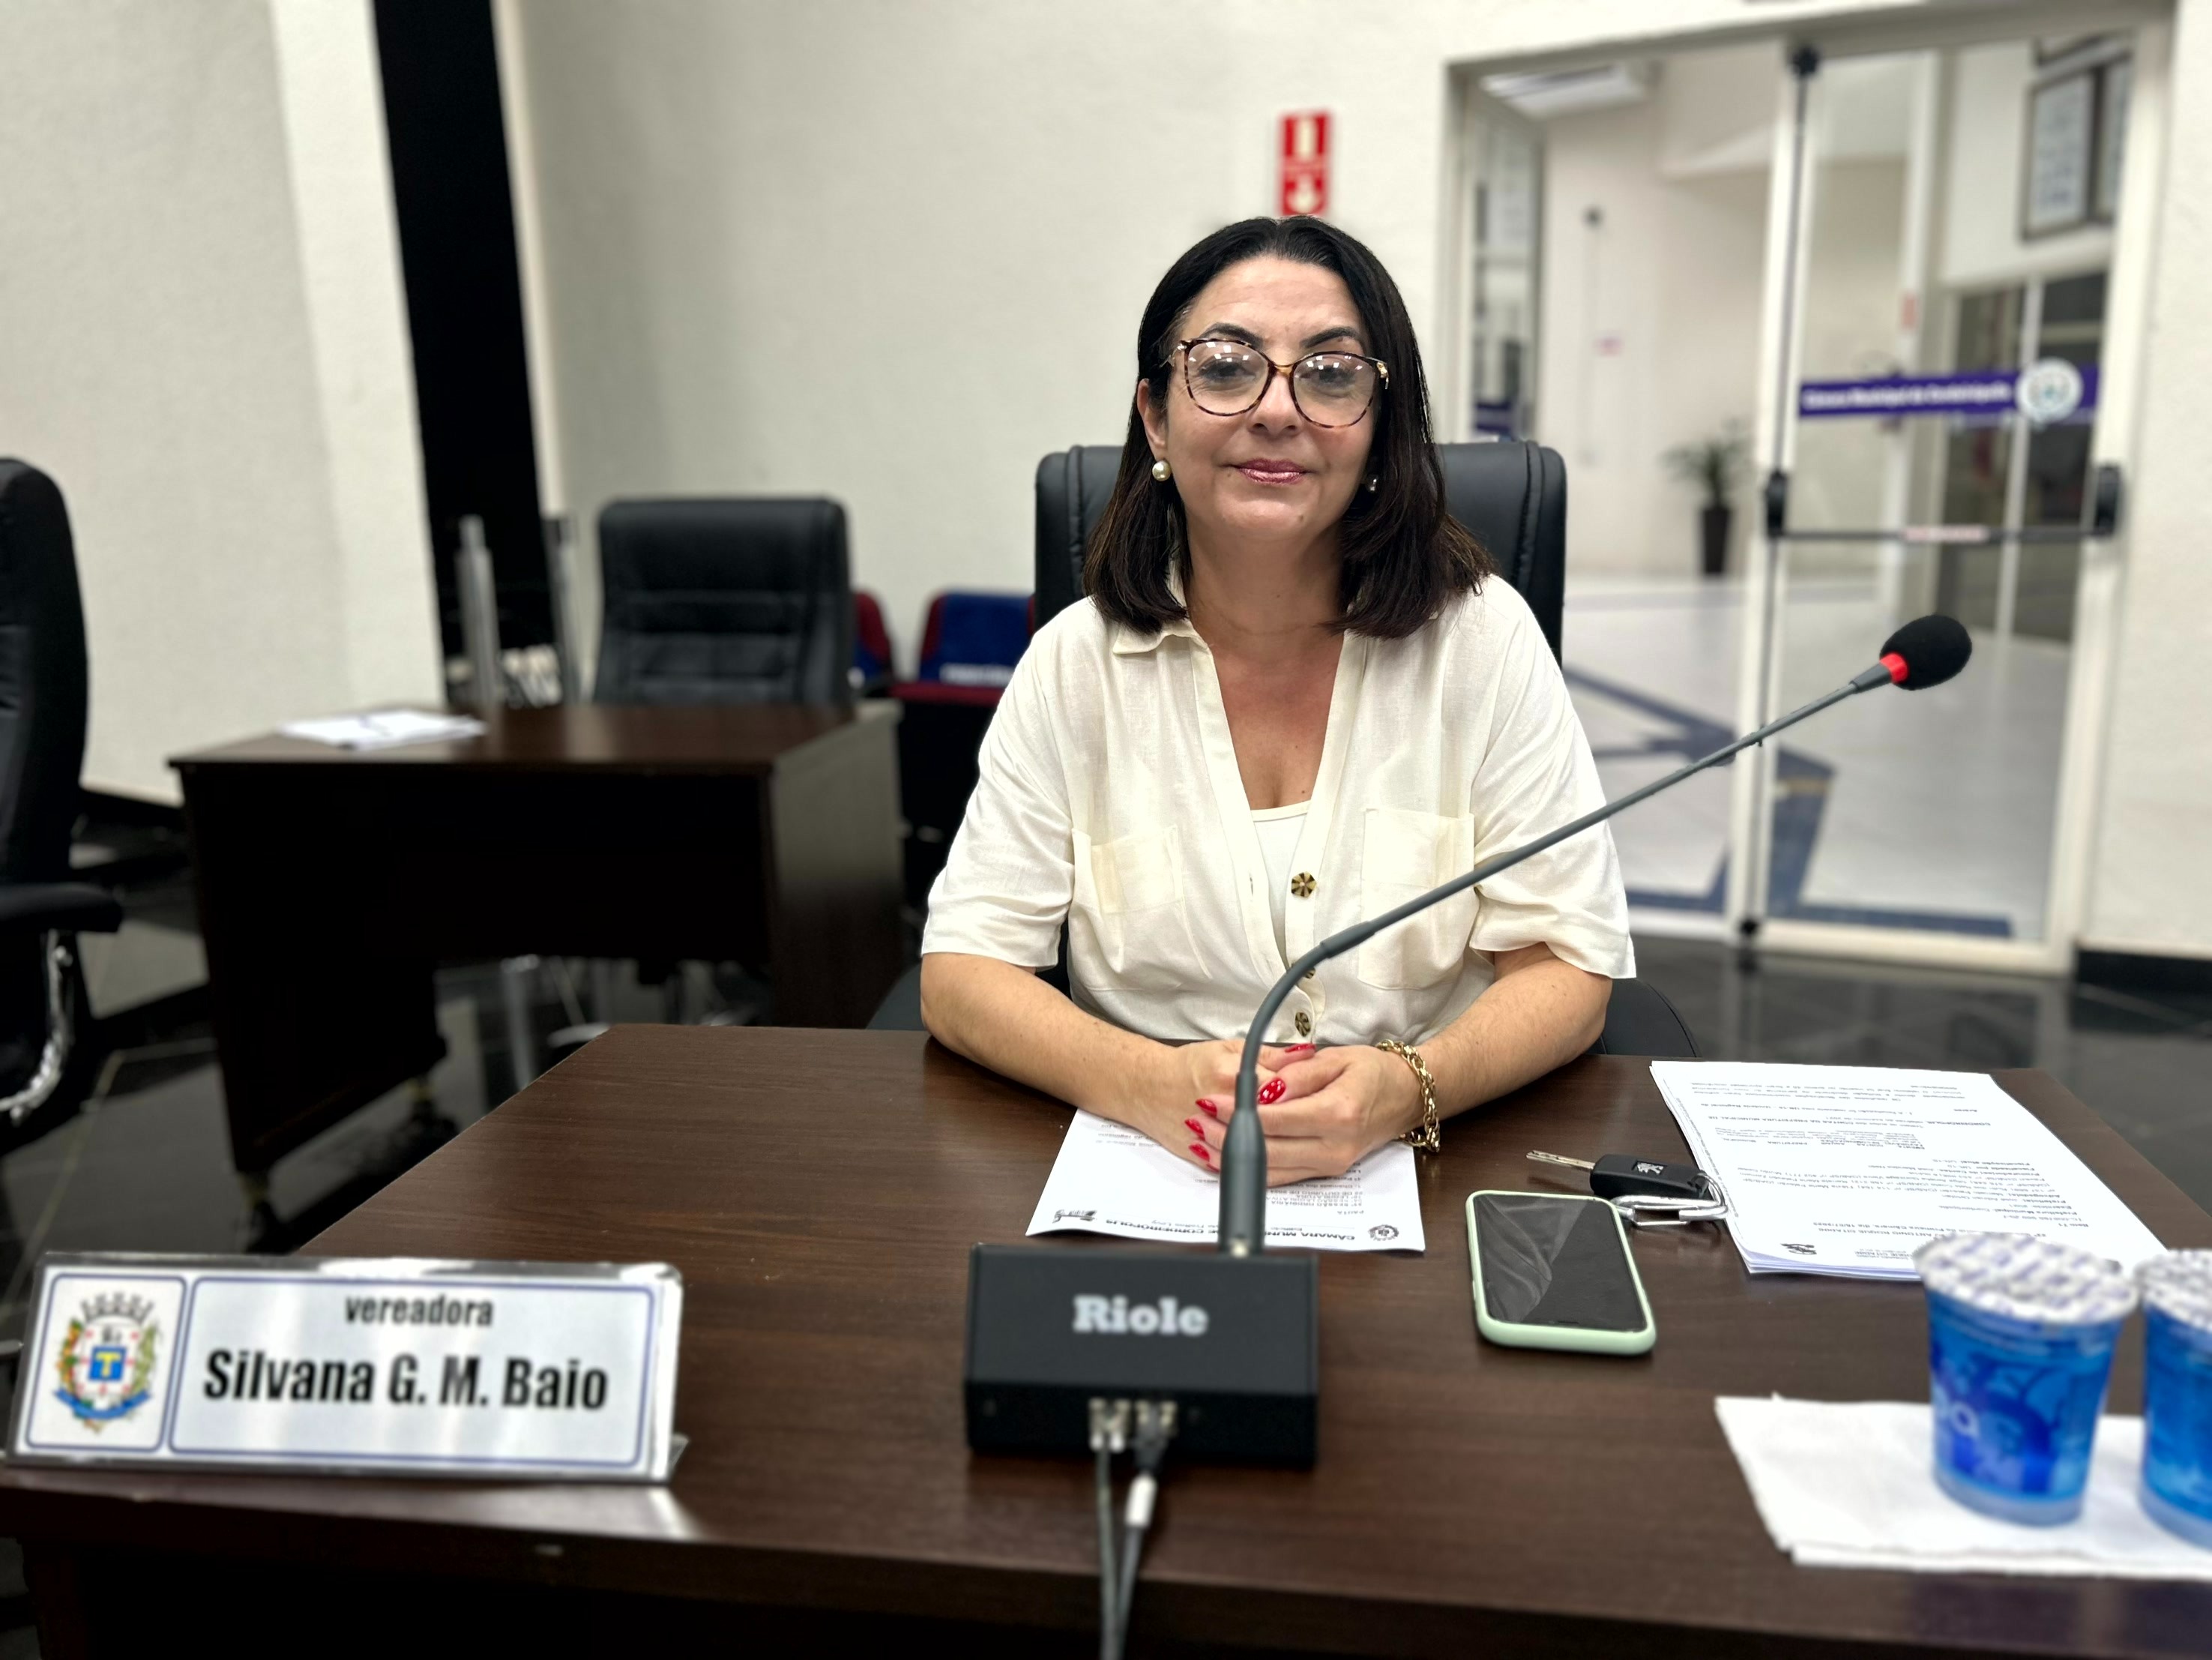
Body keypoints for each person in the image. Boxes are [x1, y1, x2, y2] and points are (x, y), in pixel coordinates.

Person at [920, 216, 1630, 1185]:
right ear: (1156, 417)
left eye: (1331, 374)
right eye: (1224, 368)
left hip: (1431, 1172)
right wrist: (1146, 1082)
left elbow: (1566, 967)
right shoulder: (1072, 667)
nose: (1278, 410)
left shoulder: (1483, 643)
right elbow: (963, 974)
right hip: (1149, 1176)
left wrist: (1408, 1085)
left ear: (1379, 427)